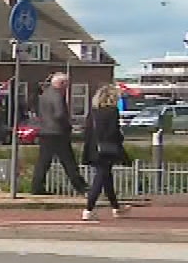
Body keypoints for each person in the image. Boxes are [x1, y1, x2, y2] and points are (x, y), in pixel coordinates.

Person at [30, 72, 87, 195]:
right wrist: (68, 124)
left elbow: (39, 112)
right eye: (66, 84)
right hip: (58, 132)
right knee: (69, 162)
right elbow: (60, 114)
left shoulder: (44, 95)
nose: (67, 87)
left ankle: (36, 186)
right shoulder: (57, 96)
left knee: (43, 162)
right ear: (61, 84)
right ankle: (81, 187)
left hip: (45, 131)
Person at [80, 84, 128, 221]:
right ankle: (88, 209)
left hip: (93, 149)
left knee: (107, 178)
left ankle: (116, 207)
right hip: (107, 149)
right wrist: (120, 140)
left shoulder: (93, 112)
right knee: (100, 178)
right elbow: (114, 132)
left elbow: (87, 132)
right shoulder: (112, 111)